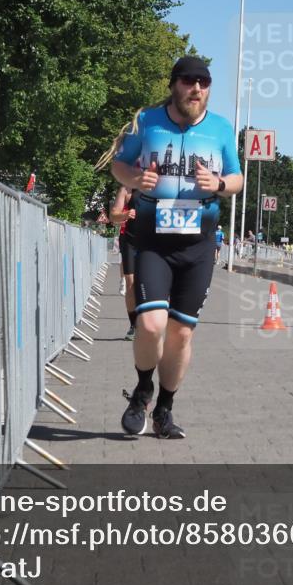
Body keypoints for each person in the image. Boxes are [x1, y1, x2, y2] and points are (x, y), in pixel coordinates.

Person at [100, 56, 242, 439]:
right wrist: (135, 177)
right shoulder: (146, 122)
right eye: (188, 81)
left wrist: (220, 185)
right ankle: (142, 388)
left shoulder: (221, 129)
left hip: (198, 245)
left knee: (181, 334)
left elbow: (237, 177)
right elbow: (118, 165)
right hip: (153, 241)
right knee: (150, 323)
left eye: (203, 82)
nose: (196, 88)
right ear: (174, 84)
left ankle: (164, 408)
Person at [110, 186, 138, 339]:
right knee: (131, 283)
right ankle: (134, 325)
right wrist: (125, 214)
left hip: (153, 240)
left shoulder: (158, 186)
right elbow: (113, 215)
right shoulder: (126, 190)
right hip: (130, 240)